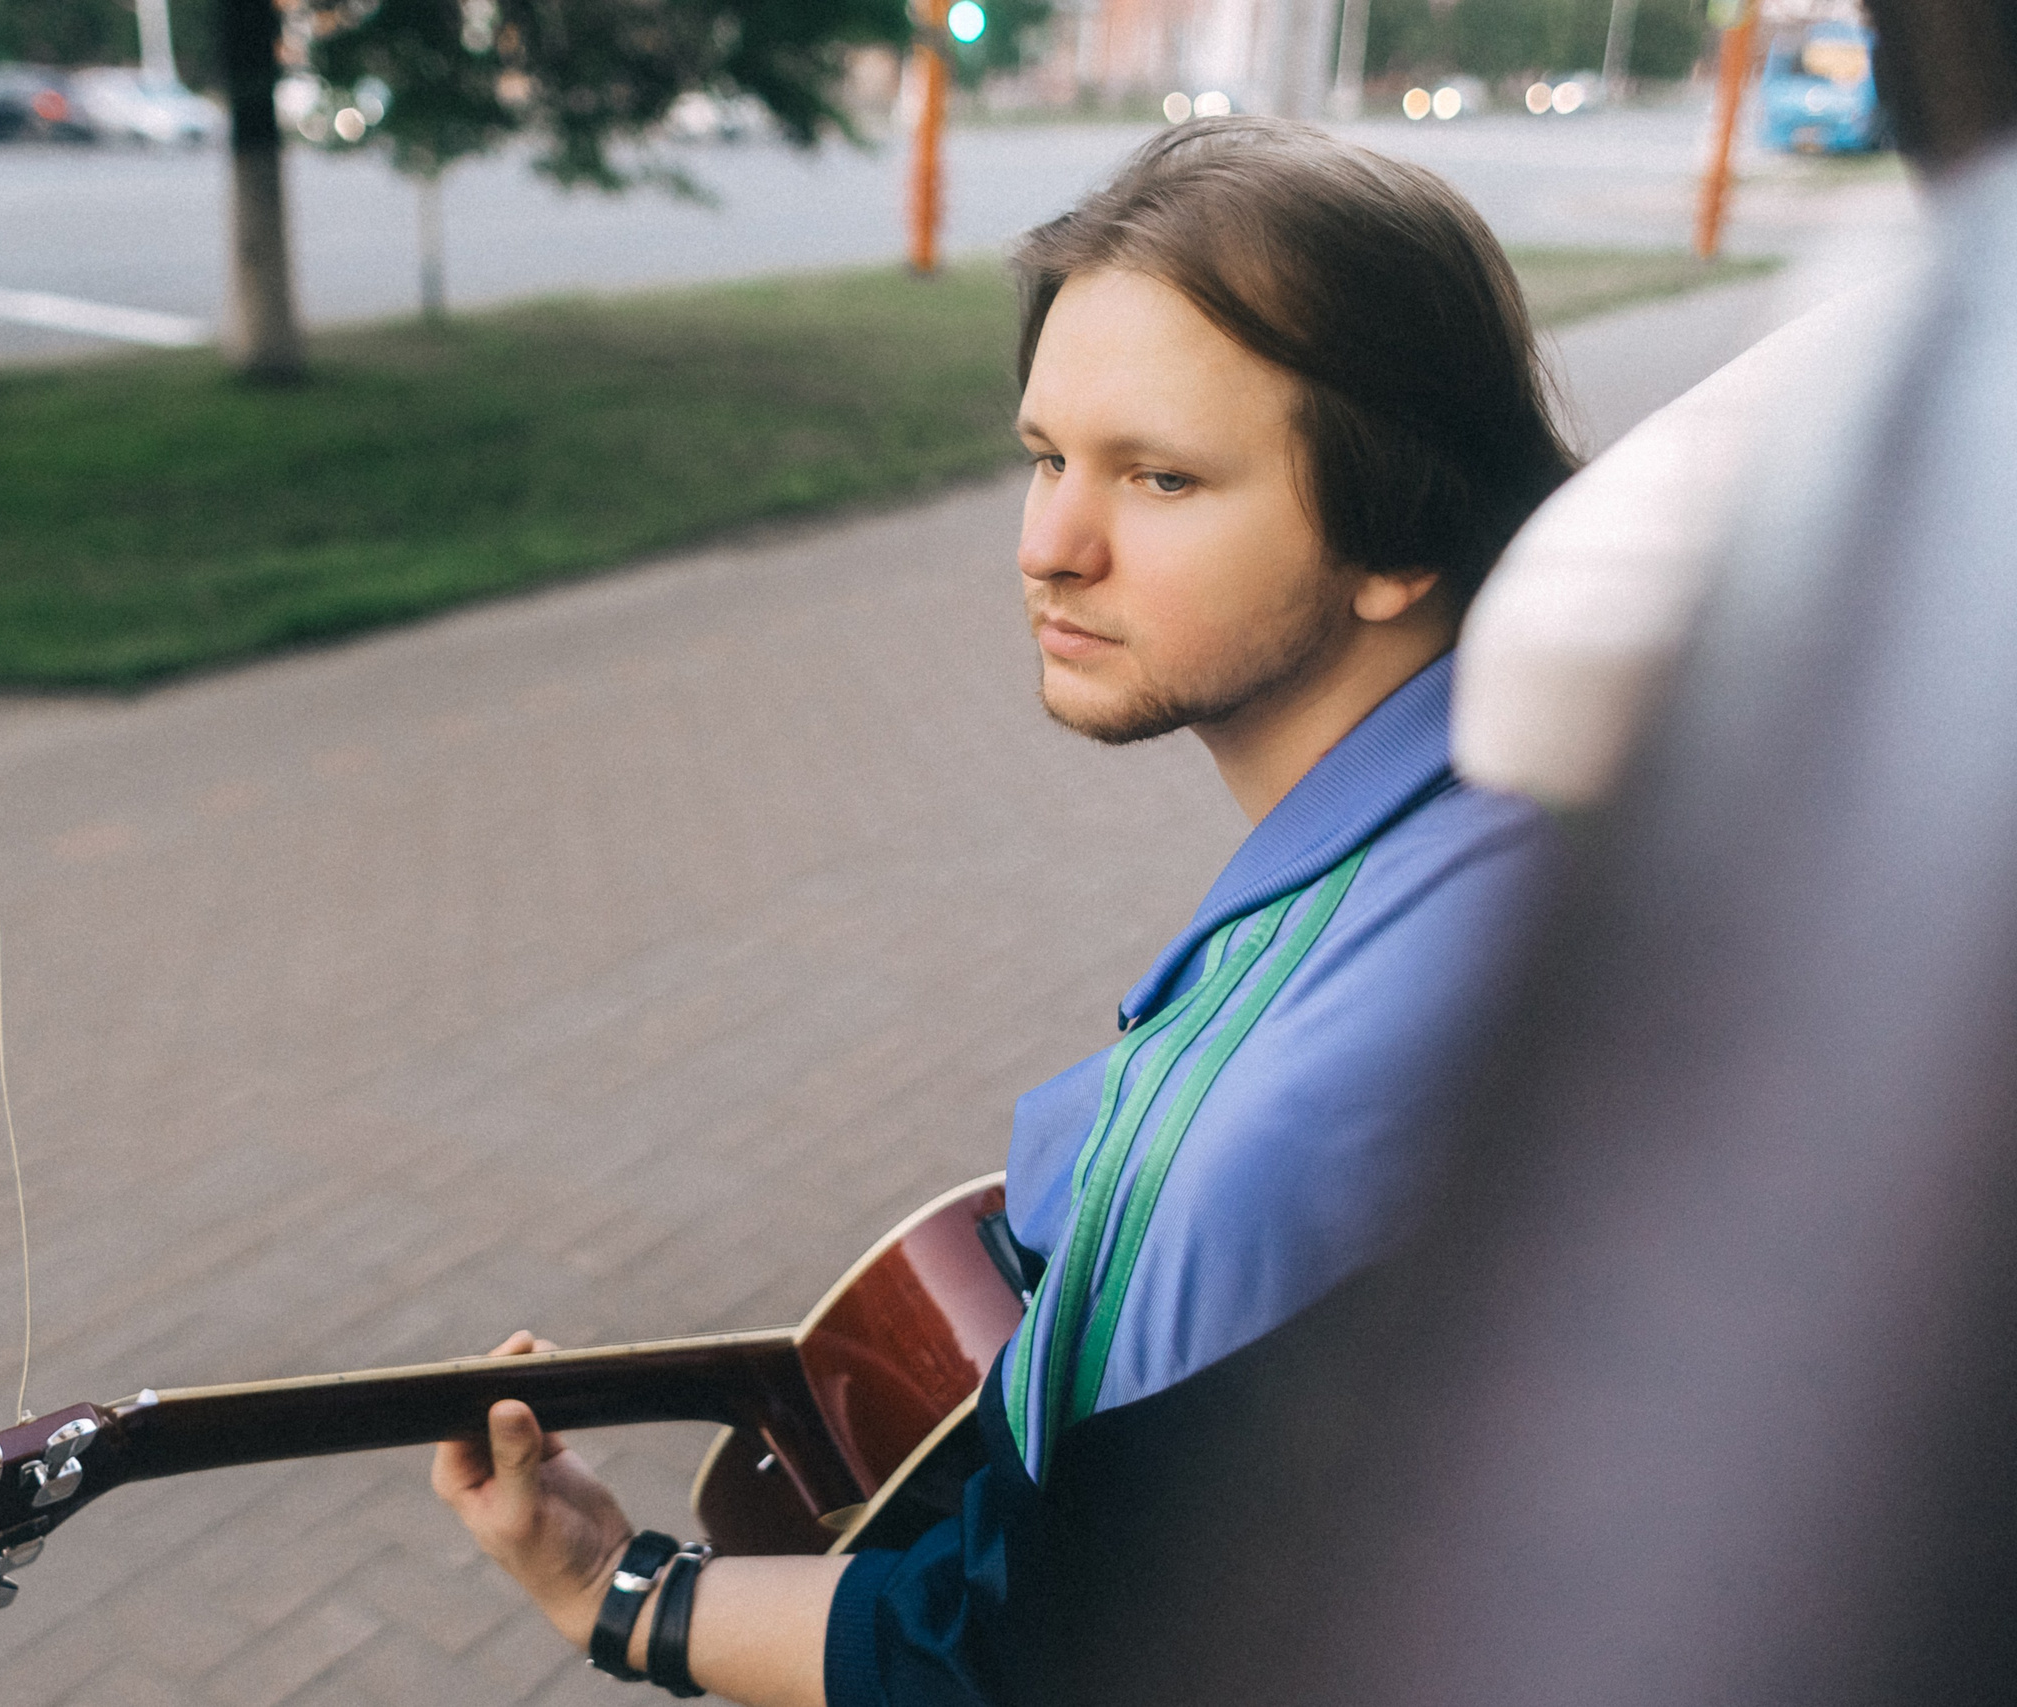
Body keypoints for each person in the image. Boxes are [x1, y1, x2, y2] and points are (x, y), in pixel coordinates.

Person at [430, 116, 1577, 1707]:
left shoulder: (1278, 1124)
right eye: (1046, 460)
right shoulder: (1532, 810)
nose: (1047, 550)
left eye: (1160, 478)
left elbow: (1029, 1653)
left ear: (1397, 528)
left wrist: (611, 1593)